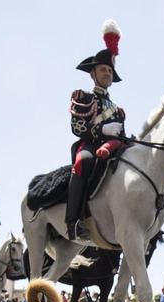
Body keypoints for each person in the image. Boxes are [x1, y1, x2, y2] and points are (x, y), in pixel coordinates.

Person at [66, 20, 126, 240]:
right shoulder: (84, 98)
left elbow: (122, 135)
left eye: (110, 70)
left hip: (114, 149)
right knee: (83, 162)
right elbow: (77, 127)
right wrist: (102, 130)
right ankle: (73, 222)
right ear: (93, 73)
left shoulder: (118, 110)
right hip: (90, 146)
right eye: (103, 70)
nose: (107, 74)